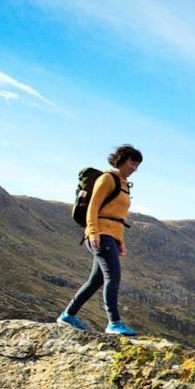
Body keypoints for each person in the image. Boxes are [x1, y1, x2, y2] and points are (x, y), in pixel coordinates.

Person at [58, 144, 142, 336]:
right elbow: (93, 207)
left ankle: (67, 315)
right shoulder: (107, 178)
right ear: (120, 159)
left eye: (137, 165)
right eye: (132, 162)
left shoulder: (123, 184)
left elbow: (118, 215)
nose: (134, 168)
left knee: (96, 280)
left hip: (111, 235)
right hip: (100, 234)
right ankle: (114, 322)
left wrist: (120, 241)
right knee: (113, 276)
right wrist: (93, 231)